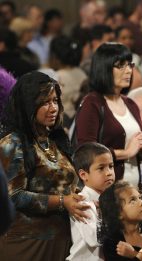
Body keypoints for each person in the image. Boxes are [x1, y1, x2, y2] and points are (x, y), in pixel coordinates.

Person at [0, 71, 89, 260]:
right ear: (28, 105)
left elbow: (70, 186)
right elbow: (13, 196)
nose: (53, 108)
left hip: (63, 238)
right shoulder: (13, 143)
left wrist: (84, 200)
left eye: (55, 101)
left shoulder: (56, 141)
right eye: (45, 102)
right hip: (27, 242)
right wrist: (63, 201)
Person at [75, 43, 142, 188]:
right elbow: (85, 150)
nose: (128, 71)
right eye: (121, 65)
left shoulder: (131, 104)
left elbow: (137, 154)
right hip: (106, 191)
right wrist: (127, 152)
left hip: (133, 189)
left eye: (130, 65)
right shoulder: (92, 103)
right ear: (104, 68)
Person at [67, 142, 115, 261]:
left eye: (111, 166)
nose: (109, 172)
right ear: (83, 175)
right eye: (101, 168)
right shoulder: (81, 203)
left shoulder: (113, 199)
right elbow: (95, 239)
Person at [99, 180, 142, 260]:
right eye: (132, 200)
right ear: (118, 213)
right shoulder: (112, 243)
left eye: (139, 197)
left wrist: (135, 254)